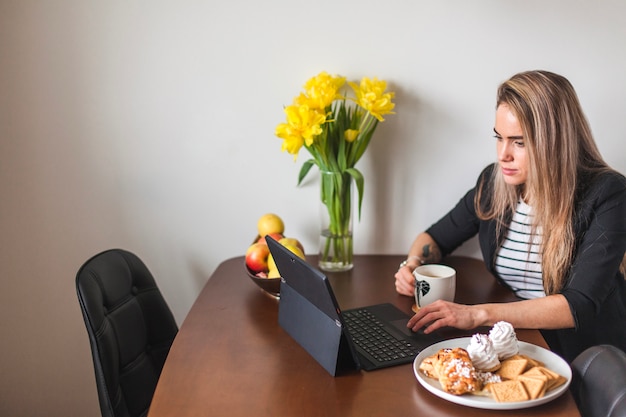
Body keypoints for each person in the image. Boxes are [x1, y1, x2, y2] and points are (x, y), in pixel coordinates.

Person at [395, 70, 626, 363]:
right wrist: (413, 266)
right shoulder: (494, 184)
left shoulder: (608, 193)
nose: (503, 154)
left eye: (519, 142)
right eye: (499, 137)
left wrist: (477, 314)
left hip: (587, 356)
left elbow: (577, 305)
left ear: (555, 141)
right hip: (519, 343)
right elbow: (435, 238)